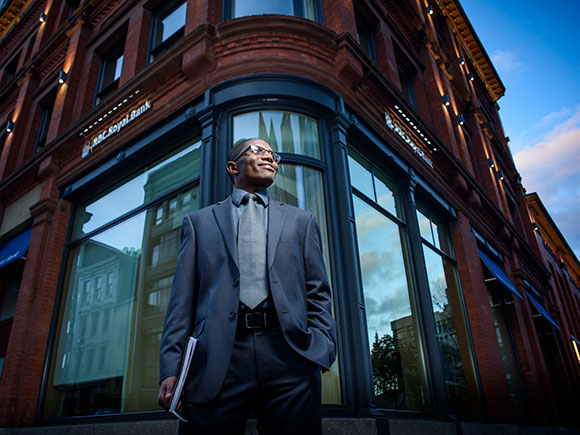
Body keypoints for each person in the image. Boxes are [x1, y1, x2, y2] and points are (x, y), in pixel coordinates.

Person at [158, 138, 336, 435]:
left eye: (273, 154)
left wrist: (321, 345)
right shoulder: (199, 223)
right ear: (232, 166)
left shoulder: (301, 221)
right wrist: (171, 366)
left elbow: (317, 291)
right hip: (217, 356)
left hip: (289, 352)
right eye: (257, 150)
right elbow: (181, 301)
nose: (270, 157)